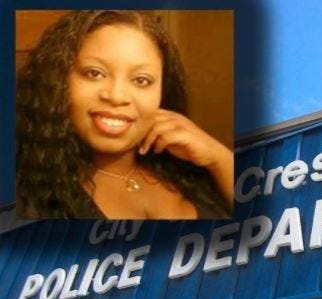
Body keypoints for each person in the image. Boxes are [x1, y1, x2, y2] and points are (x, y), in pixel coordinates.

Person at [16, 10, 234, 219]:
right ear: (58, 81)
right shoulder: (24, 192)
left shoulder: (190, 167)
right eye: (95, 73)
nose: (117, 96)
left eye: (141, 80)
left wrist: (220, 158)